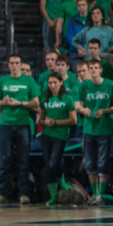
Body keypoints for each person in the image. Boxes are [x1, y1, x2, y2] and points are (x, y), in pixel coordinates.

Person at [0, 53, 39, 205]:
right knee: (5, 160)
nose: (14, 66)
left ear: (20, 64)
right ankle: (2, 193)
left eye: (16, 63)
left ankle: (23, 193)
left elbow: (35, 103)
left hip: (23, 123)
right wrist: (3, 102)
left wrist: (20, 103)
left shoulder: (29, 80)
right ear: (8, 65)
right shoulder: (3, 81)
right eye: (11, 63)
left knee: (23, 160)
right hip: (6, 123)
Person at [75, 58, 113, 205]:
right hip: (88, 129)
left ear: (100, 70)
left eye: (95, 68)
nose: (93, 70)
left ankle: (101, 194)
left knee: (102, 162)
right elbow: (78, 106)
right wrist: (83, 109)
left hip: (105, 128)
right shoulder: (84, 86)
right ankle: (94, 194)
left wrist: (105, 110)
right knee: (90, 163)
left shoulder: (110, 85)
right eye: (91, 68)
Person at [39, 72, 76, 205]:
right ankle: (53, 196)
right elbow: (40, 120)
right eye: (50, 83)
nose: (53, 86)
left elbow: (73, 120)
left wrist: (56, 122)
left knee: (54, 162)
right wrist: (45, 122)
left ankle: (62, 180)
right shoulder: (45, 99)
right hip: (46, 135)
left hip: (60, 135)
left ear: (61, 83)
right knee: (48, 164)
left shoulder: (67, 99)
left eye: (55, 83)